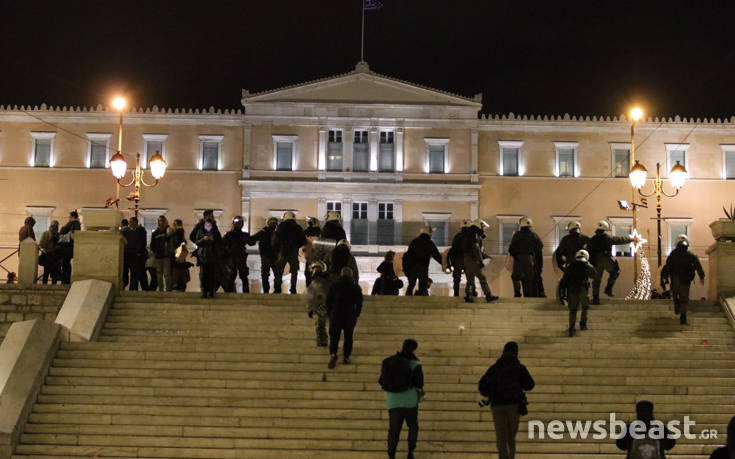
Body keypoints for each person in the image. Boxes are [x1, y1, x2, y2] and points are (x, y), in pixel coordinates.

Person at [478, 341, 535, 459]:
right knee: (510, 436)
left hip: (497, 406)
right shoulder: (519, 368)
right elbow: (530, 385)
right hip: (514, 405)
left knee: (501, 436)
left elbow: (482, 385)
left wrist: (492, 391)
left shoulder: (495, 368)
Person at [381, 339, 424, 459]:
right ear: (414, 349)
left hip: (393, 401)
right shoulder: (415, 363)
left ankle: (391, 455)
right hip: (410, 402)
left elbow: (383, 380)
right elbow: (420, 383)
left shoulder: (390, 362)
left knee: (394, 430)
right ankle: (410, 451)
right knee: (413, 427)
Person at [661, 234, 705, 325]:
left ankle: (677, 304)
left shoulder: (673, 254)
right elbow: (698, 265)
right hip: (686, 279)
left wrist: (665, 277)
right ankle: (683, 318)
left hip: (676, 278)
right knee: (684, 298)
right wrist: (702, 277)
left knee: (675, 294)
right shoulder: (691, 255)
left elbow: (667, 266)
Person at [326, 267, 363, 369]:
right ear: (351, 276)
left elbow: (328, 301)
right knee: (348, 337)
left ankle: (333, 354)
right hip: (349, 315)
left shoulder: (334, 286)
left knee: (334, 336)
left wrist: (330, 313)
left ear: (341, 275)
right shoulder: (356, 287)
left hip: (336, 314)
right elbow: (359, 303)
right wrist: (356, 314)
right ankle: (346, 356)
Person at [587, 220, 632, 304]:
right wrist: (631, 239)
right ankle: (608, 289)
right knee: (615, 272)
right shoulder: (608, 238)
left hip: (596, 261)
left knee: (596, 281)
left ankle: (596, 298)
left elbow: (588, 251)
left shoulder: (592, 239)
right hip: (606, 259)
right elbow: (619, 240)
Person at [561, 249, 596, 337]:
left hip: (572, 290)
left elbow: (565, 278)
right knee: (585, 307)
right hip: (583, 289)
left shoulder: (570, 265)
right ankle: (583, 325)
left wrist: (564, 293)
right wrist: (588, 264)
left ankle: (571, 329)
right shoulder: (586, 264)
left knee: (573, 310)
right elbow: (594, 274)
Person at [463, 219, 498, 303]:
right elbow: (476, 248)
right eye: (482, 227)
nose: (483, 229)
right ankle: (488, 295)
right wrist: (480, 261)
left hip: (466, 258)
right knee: (482, 277)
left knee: (470, 278)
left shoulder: (469, 233)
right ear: (479, 225)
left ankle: (468, 295)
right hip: (473, 258)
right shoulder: (475, 234)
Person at [508, 216, 543, 298]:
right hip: (530, 259)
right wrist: (539, 265)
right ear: (530, 226)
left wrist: (516, 256)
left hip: (518, 259)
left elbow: (511, 248)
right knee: (529, 279)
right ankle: (528, 296)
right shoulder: (534, 235)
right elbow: (539, 250)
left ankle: (517, 294)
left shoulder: (517, 235)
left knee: (516, 277)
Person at [273, 211, 307, 294]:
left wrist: (277, 249)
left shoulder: (281, 226)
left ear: (285, 217)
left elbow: (276, 239)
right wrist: (297, 246)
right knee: (294, 272)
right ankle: (293, 289)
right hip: (293, 251)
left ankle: (277, 289)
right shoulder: (298, 227)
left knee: (279, 271)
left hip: (283, 251)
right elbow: (303, 240)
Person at [403, 227, 442, 296]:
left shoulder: (414, 241)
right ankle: (421, 299)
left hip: (413, 267)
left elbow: (408, 255)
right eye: (431, 233)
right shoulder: (429, 243)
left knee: (411, 285)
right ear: (428, 233)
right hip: (423, 267)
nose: (431, 235)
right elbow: (436, 255)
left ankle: (407, 298)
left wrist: (407, 268)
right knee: (422, 286)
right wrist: (445, 264)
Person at [249, 217, 278, 293]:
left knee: (266, 274)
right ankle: (276, 290)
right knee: (276, 274)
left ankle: (267, 291)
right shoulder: (277, 233)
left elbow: (252, 240)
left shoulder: (264, 231)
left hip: (267, 256)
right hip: (273, 256)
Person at [194, 218, 221, 298]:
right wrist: (203, 239)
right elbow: (197, 242)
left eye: (209, 225)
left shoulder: (215, 232)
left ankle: (211, 292)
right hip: (203, 256)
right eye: (207, 225)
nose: (208, 226)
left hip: (213, 256)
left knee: (212, 275)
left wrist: (213, 240)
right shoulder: (200, 231)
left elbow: (220, 242)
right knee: (204, 275)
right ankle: (204, 292)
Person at [305, 260, 330, 347]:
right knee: (320, 326)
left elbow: (311, 296)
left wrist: (310, 309)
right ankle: (322, 342)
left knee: (320, 326)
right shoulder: (320, 282)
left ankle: (322, 342)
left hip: (320, 307)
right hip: (320, 307)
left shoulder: (320, 283)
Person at [223, 216, 251, 293]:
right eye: (237, 222)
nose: (239, 224)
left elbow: (251, 242)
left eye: (240, 223)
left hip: (241, 256)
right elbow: (223, 244)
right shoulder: (229, 234)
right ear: (234, 223)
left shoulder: (245, 235)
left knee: (243, 275)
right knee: (232, 274)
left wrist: (250, 239)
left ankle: (246, 292)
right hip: (231, 256)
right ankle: (229, 292)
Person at [122, 216, 148, 291]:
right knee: (133, 273)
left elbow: (142, 243)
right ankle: (133, 288)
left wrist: (139, 252)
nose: (129, 224)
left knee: (136, 273)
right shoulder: (129, 231)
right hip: (131, 255)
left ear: (135, 222)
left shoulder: (141, 231)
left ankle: (136, 288)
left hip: (137, 256)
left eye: (130, 222)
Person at [448, 220, 473, 297]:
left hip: (458, 260)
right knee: (470, 278)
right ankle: (469, 293)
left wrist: (452, 263)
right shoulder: (471, 237)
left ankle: (456, 293)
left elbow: (453, 250)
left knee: (456, 279)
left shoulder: (457, 236)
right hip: (468, 259)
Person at [57, 210, 81, 284]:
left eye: (70, 217)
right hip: (70, 247)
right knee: (66, 264)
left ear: (73, 217)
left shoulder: (73, 223)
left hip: (67, 247)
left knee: (65, 264)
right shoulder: (77, 224)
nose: (69, 218)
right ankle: (66, 280)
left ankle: (65, 281)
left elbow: (63, 230)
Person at [151, 215, 173, 291]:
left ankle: (168, 289)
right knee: (159, 274)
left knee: (167, 274)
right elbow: (152, 244)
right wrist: (155, 252)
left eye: (162, 221)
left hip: (166, 257)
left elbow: (171, 242)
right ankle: (161, 289)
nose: (161, 222)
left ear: (165, 221)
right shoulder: (155, 233)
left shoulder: (168, 231)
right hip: (158, 257)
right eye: (160, 221)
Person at [169, 219, 190, 291]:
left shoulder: (174, 232)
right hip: (179, 254)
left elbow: (175, 242)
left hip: (175, 254)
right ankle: (181, 284)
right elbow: (183, 242)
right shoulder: (180, 232)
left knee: (176, 270)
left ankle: (176, 284)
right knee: (181, 269)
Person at [39, 220, 61, 284]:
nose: (55, 228)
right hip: (47, 254)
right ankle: (44, 285)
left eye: (56, 226)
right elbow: (41, 244)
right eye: (53, 226)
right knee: (46, 272)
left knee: (55, 274)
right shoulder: (45, 233)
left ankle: (53, 285)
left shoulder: (58, 235)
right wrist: (50, 238)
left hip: (55, 256)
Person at [304, 217, 321, 287]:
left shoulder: (307, 231)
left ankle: (308, 287)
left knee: (307, 272)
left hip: (309, 254)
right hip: (317, 254)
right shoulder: (320, 231)